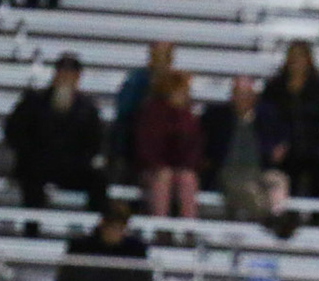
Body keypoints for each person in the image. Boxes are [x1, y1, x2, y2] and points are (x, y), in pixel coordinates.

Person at [4, 53, 105, 213]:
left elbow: (95, 142)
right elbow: (15, 132)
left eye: (71, 74)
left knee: (98, 178)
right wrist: (33, 153)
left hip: (72, 167)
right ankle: (32, 224)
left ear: (78, 78)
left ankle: (96, 223)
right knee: (31, 178)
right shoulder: (33, 101)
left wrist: (77, 160)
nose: (65, 78)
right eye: (62, 73)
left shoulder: (88, 108)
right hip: (38, 164)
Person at [203, 75, 293, 228]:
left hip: (260, 170)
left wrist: (280, 147)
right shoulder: (217, 117)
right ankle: (271, 221)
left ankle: (277, 215)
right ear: (232, 96)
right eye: (239, 94)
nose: (243, 99)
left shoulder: (266, 117)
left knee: (279, 180)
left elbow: (283, 136)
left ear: (254, 97)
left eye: (247, 95)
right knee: (250, 190)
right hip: (230, 172)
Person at [261, 40, 319, 201]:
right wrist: (272, 144)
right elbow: (263, 118)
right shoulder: (274, 88)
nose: (296, 61)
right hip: (284, 151)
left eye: (301, 56)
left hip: (314, 151)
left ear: (309, 60)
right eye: (293, 56)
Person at [134, 70, 202, 220]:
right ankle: (160, 223)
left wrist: (185, 165)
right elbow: (147, 148)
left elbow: (193, 147)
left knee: (188, 178)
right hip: (152, 169)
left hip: (180, 168)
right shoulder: (152, 113)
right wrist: (159, 165)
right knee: (163, 176)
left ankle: (189, 226)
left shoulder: (188, 115)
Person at [111, 41, 176, 180]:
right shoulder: (136, 80)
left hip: (166, 151)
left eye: (165, 57)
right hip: (134, 147)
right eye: (158, 56)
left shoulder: (176, 83)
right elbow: (124, 110)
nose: (161, 62)